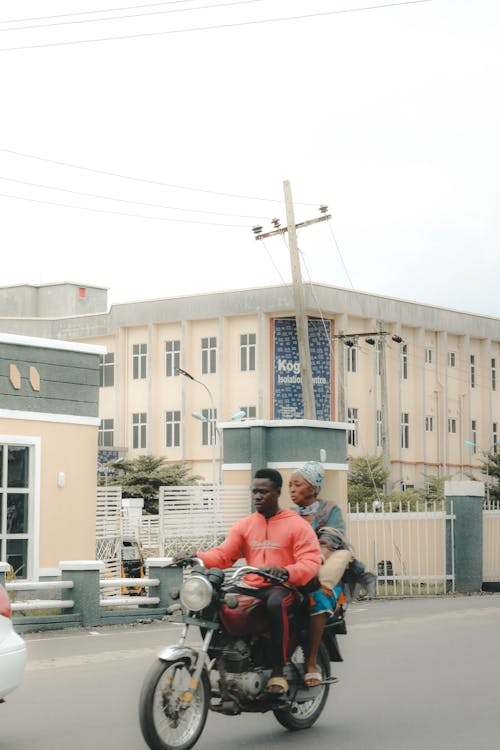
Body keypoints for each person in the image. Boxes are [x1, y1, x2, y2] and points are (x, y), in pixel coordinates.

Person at [193, 468, 322, 695]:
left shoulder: (297, 525)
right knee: (212, 601)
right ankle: (221, 659)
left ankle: (278, 671)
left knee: (275, 603)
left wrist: (286, 571)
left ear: (277, 493)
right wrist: (197, 557)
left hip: (284, 586)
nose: (257, 497)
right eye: (254, 492)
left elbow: (310, 562)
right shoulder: (245, 525)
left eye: (264, 492)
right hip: (250, 585)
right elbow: (224, 555)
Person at [289, 461, 355, 687]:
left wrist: (318, 558)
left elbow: (331, 537)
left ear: (313, 488)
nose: (292, 489)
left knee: (317, 597)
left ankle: (310, 662)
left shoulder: (329, 510)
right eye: (290, 485)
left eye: (297, 484)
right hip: (292, 572)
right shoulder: (288, 515)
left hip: (321, 574)